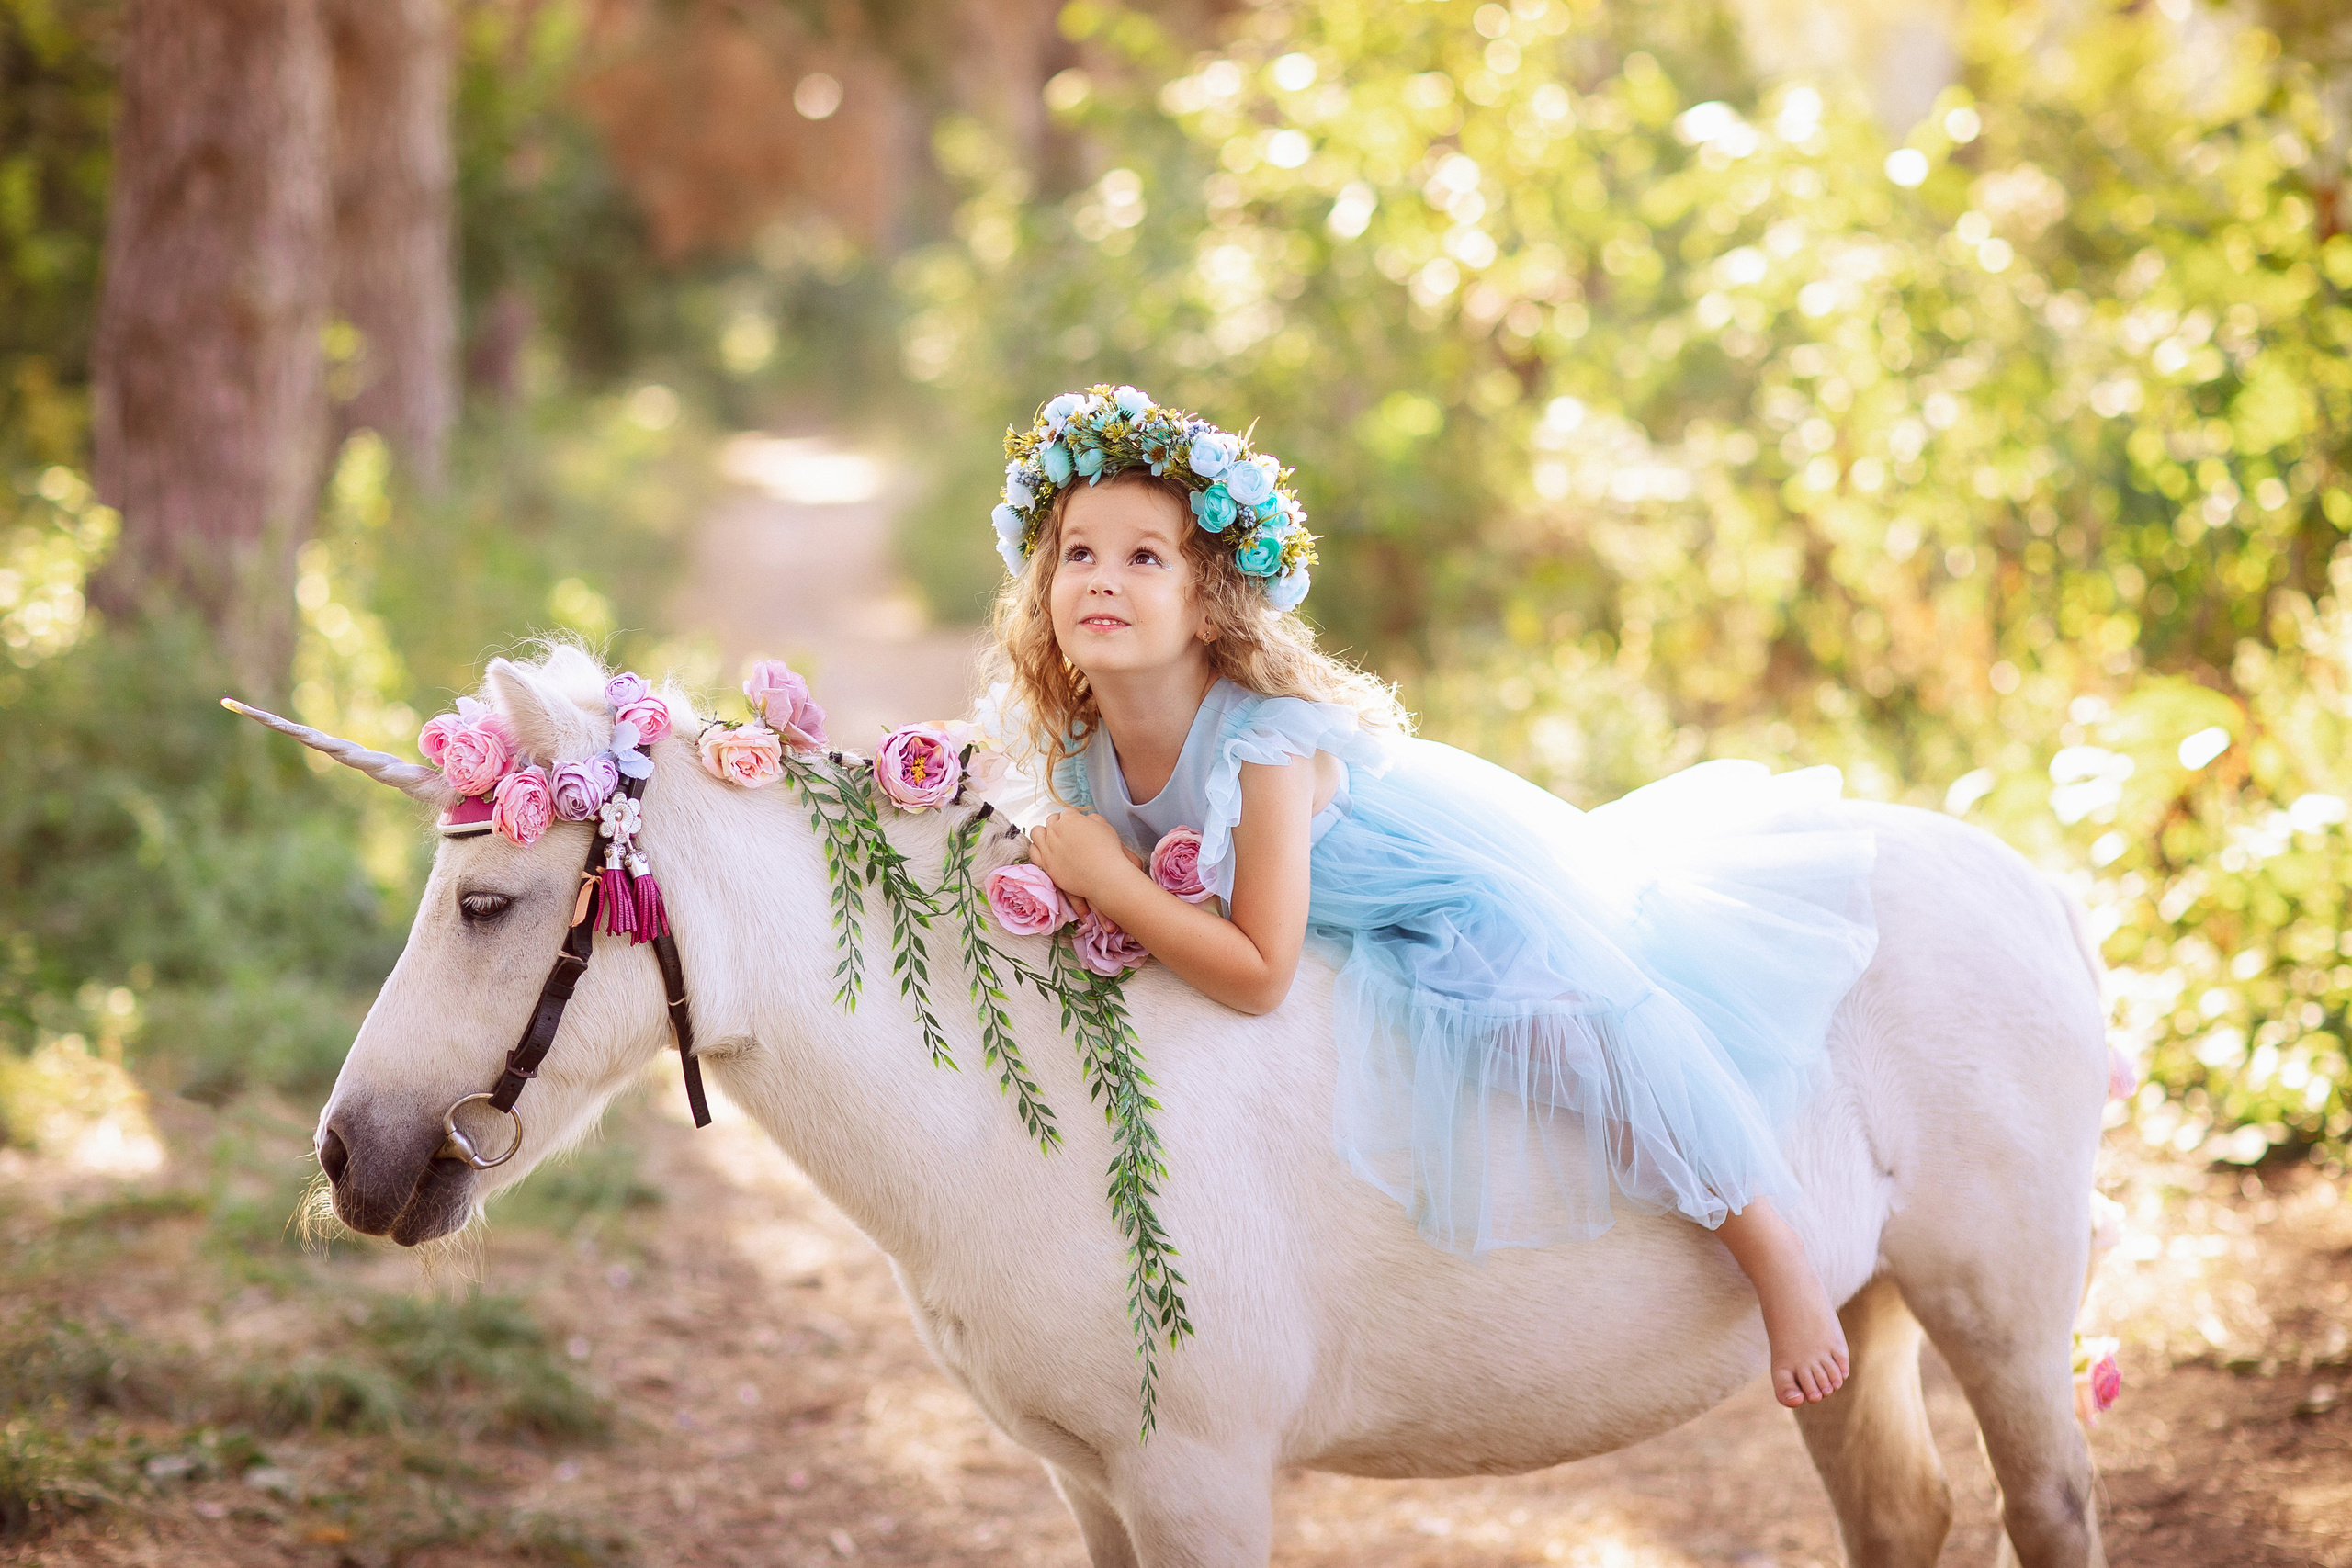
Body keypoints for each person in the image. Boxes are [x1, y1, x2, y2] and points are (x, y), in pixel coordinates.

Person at [987, 387, 1876, 1408]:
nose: (1102, 577)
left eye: (1145, 556)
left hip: (1425, 894)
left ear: (1207, 602)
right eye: (1078, 553)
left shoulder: (1263, 744)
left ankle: (1774, 1253)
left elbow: (1261, 974)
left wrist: (1108, 880)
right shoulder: (1081, 744)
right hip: (1318, 914)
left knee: (1576, 1034)